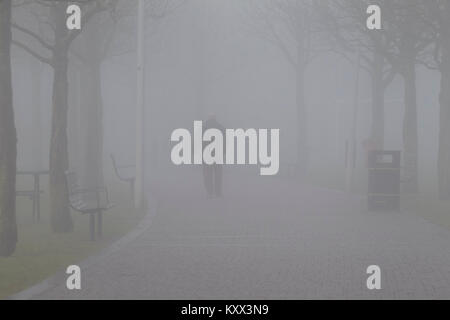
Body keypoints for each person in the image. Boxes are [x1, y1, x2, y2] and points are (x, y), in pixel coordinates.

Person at [202, 114, 225, 198]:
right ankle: (218, 191)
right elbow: (225, 141)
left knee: (207, 173)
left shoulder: (203, 128)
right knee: (218, 174)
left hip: (206, 154)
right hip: (218, 154)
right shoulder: (221, 127)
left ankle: (209, 191)